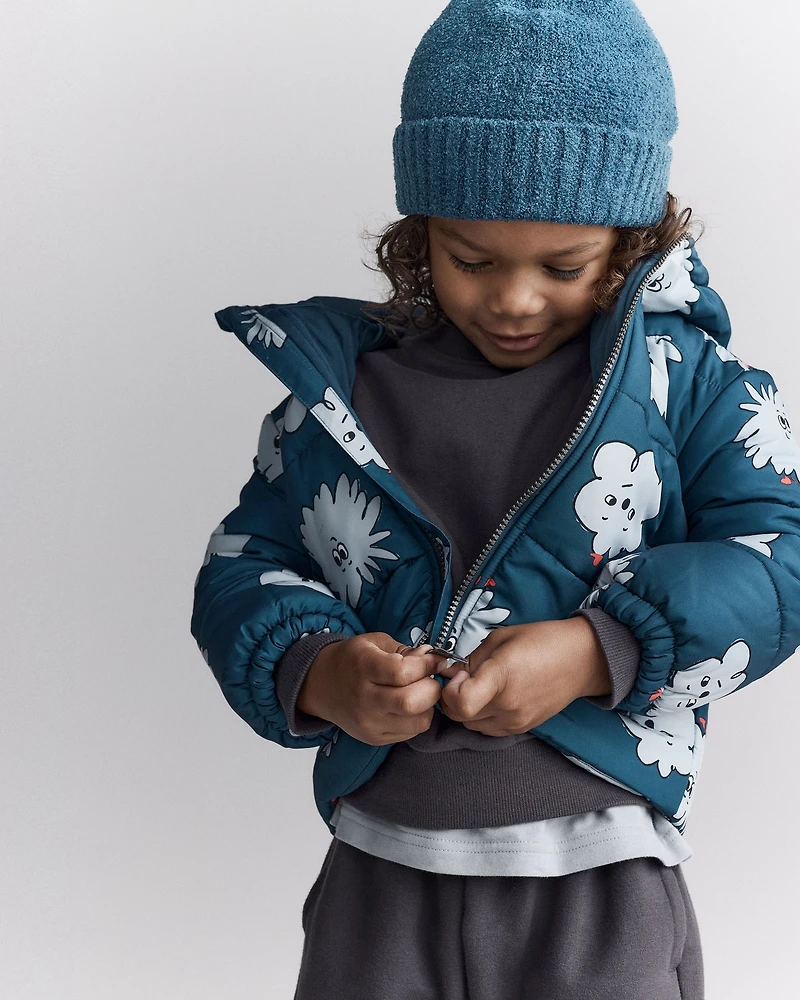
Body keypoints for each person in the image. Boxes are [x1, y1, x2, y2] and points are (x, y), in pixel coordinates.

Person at [191, 2, 800, 997]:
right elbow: (243, 566)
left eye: (563, 265)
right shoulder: (342, 395)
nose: (513, 299)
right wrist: (320, 671)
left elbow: (779, 557)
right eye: (470, 258)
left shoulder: (688, 385)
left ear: (629, 241)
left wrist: (598, 648)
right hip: (380, 875)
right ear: (417, 235)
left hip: (600, 882)